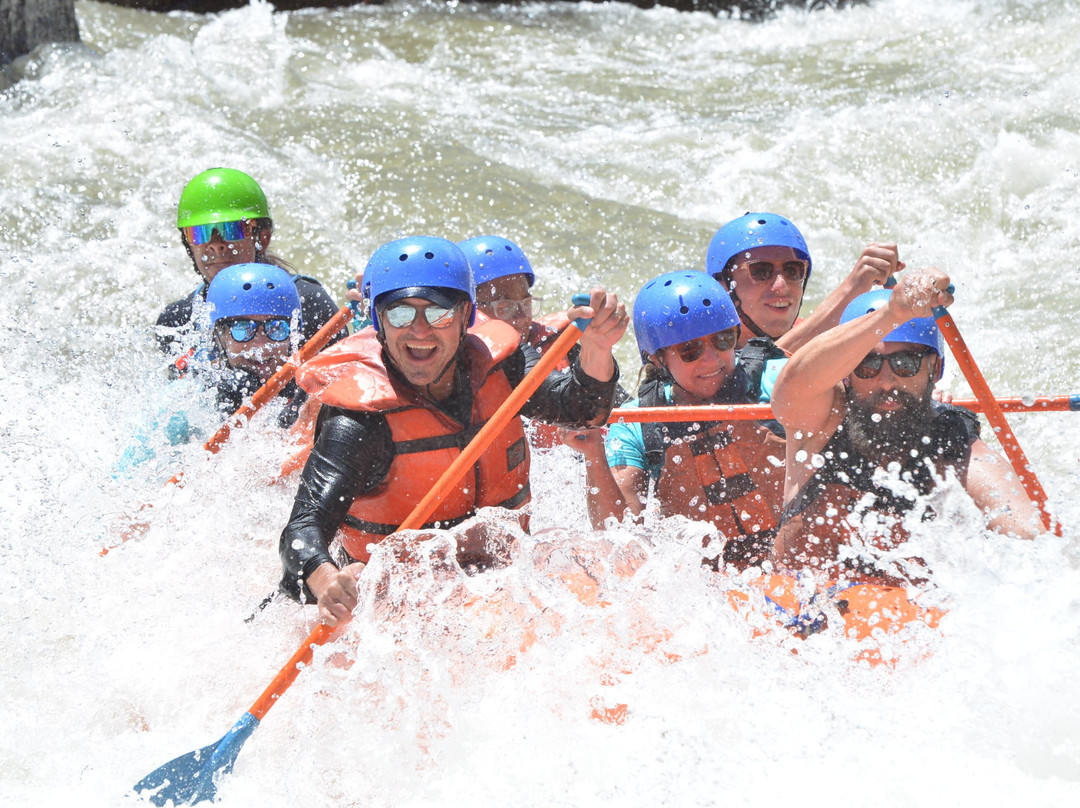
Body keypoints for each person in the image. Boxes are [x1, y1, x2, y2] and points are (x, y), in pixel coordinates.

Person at [278, 235, 628, 626]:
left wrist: (598, 347)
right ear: (378, 321)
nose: (420, 330)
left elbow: (580, 411)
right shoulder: (360, 422)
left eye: (439, 313)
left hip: (501, 577)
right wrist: (327, 581)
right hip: (404, 603)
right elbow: (303, 528)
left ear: (465, 316)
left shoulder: (502, 365)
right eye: (400, 314)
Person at [770, 269, 1043, 586]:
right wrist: (892, 314)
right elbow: (792, 386)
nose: (886, 382)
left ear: (935, 368)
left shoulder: (950, 436)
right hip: (803, 614)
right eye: (867, 365)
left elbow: (1024, 528)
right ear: (845, 373)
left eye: (906, 363)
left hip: (904, 619)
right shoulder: (821, 420)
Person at [563, 270, 785, 569]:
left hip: (788, 555)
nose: (711, 359)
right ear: (657, 358)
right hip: (706, 575)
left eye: (722, 339)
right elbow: (619, 536)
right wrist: (593, 454)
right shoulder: (637, 420)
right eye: (689, 349)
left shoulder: (778, 383)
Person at [706, 213, 904, 403]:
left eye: (793, 270)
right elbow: (756, 376)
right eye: (760, 271)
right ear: (724, 286)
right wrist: (854, 288)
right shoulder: (698, 353)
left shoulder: (826, 336)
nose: (781, 286)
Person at [156, 167, 343, 365]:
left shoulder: (308, 304)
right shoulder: (176, 322)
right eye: (199, 233)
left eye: (232, 229)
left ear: (262, 237)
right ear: (188, 246)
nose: (216, 243)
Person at [204, 262, 308, 428]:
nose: (261, 344)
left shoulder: (312, 396)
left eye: (276, 328)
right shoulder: (193, 400)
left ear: (292, 335)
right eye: (243, 328)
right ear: (220, 338)